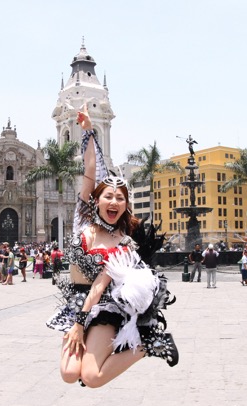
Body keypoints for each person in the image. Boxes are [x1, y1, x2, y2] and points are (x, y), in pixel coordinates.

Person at [47, 104, 178, 389]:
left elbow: (98, 287)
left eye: (121, 199)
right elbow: (91, 169)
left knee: (92, 378)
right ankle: (95, 351)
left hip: (104, 306)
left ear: (125, 206)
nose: (115, 202)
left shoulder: (123, 242)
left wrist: (80, 324)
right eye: (109, 196)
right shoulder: (82, 219)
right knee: (69, 374)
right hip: (76, 301)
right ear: (96, 200)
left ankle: (150, 344)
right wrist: (88, 131)